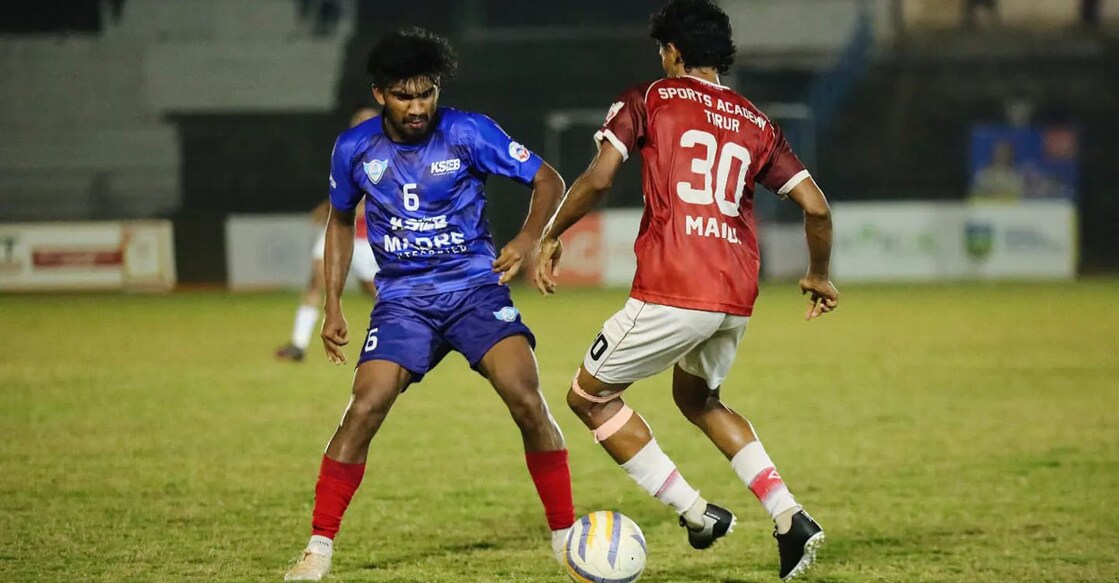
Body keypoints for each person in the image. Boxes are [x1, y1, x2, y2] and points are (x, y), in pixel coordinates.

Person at [535, 1, 837, 580]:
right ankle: (789, 517)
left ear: (672, 51)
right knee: (699, 400)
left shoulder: (648, 97)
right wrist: (819, 273)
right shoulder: (757, 122)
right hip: (735, 293)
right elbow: (816, 207)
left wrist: (553, 234)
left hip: (674, 285)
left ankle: (697, 514)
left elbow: (599, 178)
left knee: (587, 397)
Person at [283, 27, 574, 581]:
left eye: (426, 94)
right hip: (403, 303)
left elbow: (547, 178)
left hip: (473, 289)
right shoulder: (355, 148)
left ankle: (564, 537)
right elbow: (340, 221)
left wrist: (529, 237)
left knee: (525, 395)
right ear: (379, 94)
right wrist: (333, 306)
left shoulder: (468, 132)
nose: (417, 108)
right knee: (364, 408)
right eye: (403, 96)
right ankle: (318, 549)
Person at [276, 108, 381, 363]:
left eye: (365, 122)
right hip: (337, 232)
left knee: (378, 293)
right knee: (315, 283)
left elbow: (373, 199)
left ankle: (411, 332)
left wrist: (351, 210)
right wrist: (328, 208)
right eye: (356, 122)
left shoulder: (386, 155)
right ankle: (298, 346)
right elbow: (343, 192)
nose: (359, 126)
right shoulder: (347, 152)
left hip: (364, 238)